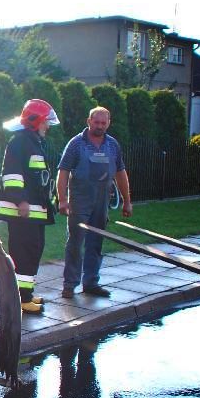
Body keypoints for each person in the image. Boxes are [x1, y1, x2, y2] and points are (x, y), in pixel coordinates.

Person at [56, 106, 132, 298]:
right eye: (96, 122)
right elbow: (63, 171)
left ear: (108, 123)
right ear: (88, 121)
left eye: (103, 123)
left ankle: (91, 283)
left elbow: (120, 173)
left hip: (102, 199)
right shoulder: (76, 144)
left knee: (96, 242)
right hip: (80, 200)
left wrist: (126, 200)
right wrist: (63, 200)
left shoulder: (113, 145)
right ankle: (69, 285)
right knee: (75, 243)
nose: (99, 126)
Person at [0, 99, 60, 314]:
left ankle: (26, 295)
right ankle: (22, 299)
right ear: (36, 121)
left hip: (33, 213)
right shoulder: (20, 142)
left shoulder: (31, 141)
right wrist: (20, 200)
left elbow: (36, 179)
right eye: (45, 122)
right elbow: (12, 176)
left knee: (32, 251)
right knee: (23, 253)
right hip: (23, 212)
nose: (48, 127)